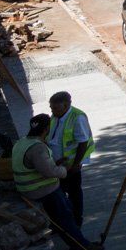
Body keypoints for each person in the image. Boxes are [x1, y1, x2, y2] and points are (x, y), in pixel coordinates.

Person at [10, 114, 99, 250]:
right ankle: (80, 246)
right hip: (41, 190)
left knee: (66, 210)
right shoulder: (38, 148)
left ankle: (72, 236)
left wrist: (55, 163)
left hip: (27, 188)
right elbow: (50, 172)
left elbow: (36, 166)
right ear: (47, 129)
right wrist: (64, 170)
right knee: (65, 216)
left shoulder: (21, 142)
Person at [48, 91, 93, 220]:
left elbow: (83, 142)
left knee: (74, 193)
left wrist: (75, 164)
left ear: (66, 105)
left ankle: (76, 219)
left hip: (70, 165)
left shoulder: (77, 117)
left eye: (55, 108)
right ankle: (67, 218)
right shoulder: (56, 116)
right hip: (58, 164)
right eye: (51, 108)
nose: (52, 111)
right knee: (61, 192)